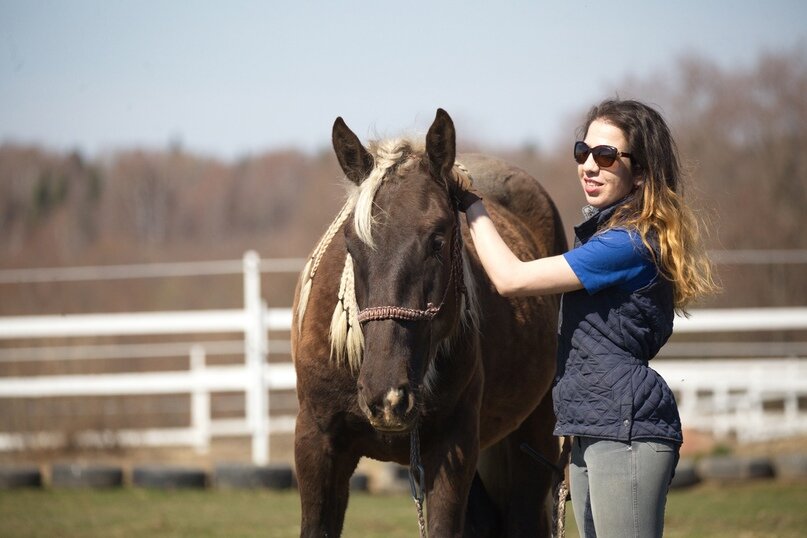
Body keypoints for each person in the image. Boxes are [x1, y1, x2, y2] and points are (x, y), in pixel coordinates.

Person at [458, 99, 718, 537]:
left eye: (605, 156)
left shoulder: (626, 244)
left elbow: (510, 279)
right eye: (583, 153)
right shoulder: (607, 235)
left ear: (640, 172)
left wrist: (471, 203)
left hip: (626, 432)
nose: (589, 167)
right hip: (593, 428)